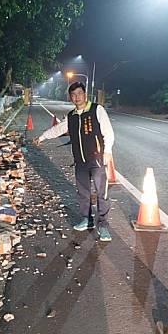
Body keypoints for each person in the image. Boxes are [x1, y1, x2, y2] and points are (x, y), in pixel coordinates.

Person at [33, 81, 115, 241]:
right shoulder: (71, 116)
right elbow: (59, 129)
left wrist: (108, 151)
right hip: (80, 162)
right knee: (83, 193)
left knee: (101, 194)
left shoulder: (97, 110)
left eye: (79, 94)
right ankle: (87, 219)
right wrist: (42, 137)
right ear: (70, 97)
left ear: (85, 94)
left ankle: (103, 225)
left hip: (97, 160)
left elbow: (108, 132)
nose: (77, 97)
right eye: (73, 95)